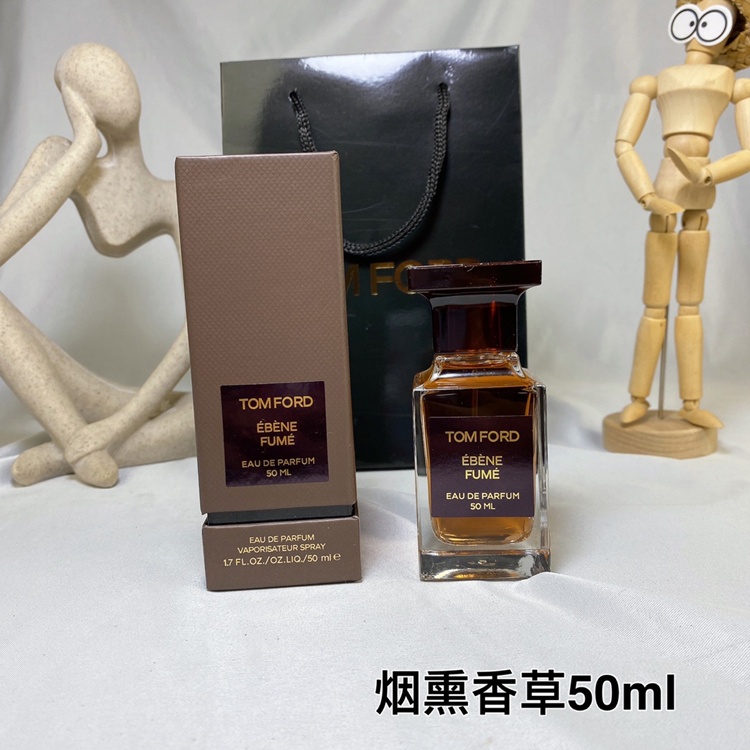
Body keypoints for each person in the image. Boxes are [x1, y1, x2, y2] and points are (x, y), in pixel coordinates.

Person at [0, 43, 193, 487]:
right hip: (94, 395)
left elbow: (203, 325)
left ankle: (65, 454)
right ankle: (74, 438)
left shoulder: (174, 197)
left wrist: (120, 423)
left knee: (213, 418)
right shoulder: (59, 157)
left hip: (156, 399)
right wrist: (82, 149)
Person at [615, 0, 750, 430]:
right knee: (654, 305)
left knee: (690, 306)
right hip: (663, 190)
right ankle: (639, 398)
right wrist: (645, 194)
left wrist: (709, 173)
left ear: (732, 32)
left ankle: (691, 403)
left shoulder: (733, 83)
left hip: (701, 189)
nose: (698, 28)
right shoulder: (655, 81)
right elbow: (623, 145)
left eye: (713, 19)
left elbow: (749, 150)